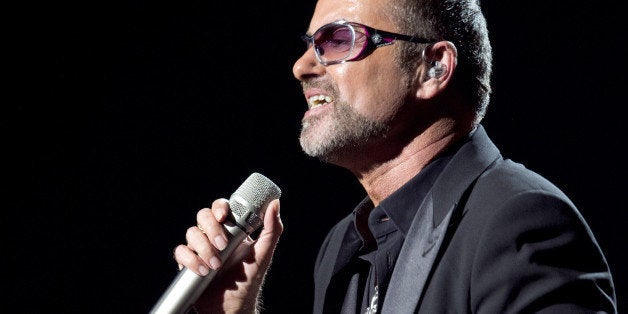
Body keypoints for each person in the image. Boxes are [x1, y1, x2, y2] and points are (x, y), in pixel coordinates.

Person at [173, 0, 617, 312]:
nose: (302, 66)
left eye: (338, 39)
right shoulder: (341, 249)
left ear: (433, 67)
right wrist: (236, 311)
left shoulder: (519, 220)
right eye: (310, 43)